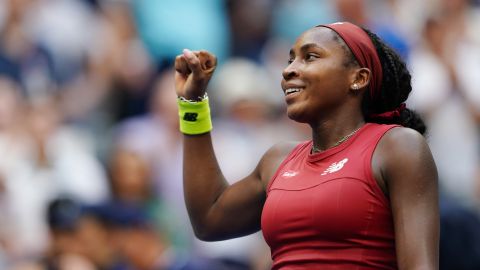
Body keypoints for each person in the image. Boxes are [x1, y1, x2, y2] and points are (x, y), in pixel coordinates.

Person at [173, 21, 439, 269]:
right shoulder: (277, 159)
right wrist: (193, 103)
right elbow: (209, 220)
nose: (288, 70)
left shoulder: (397, 147)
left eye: (310, 57)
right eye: (290, 59)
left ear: (358, 78)